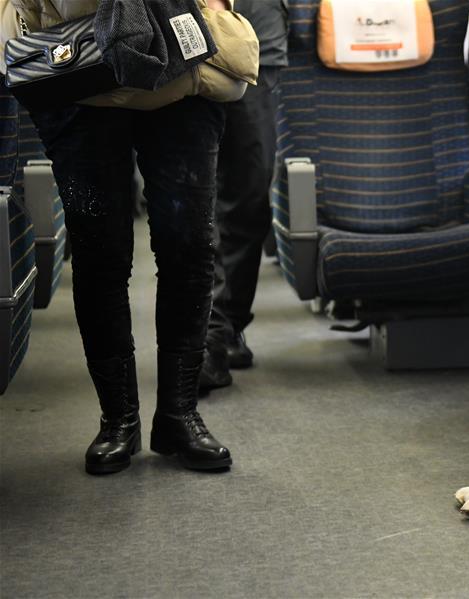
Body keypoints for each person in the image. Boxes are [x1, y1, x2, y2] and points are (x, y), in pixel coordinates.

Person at [0, 0, 252, 474]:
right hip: (79, 63)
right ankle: (119, 419)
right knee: (99, 253)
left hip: (184, 68)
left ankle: (179, 414)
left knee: (190, 247)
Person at [200, 0, 289, 391]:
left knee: (250, 195)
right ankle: (207, 338)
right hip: (178, 34)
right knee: (195, 196)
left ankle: (230, 323)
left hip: (255, 35)